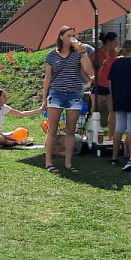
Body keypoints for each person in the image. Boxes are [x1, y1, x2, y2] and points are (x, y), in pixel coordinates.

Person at [40, 24, 94, 173]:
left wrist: (83, 53)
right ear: (61, 37)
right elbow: (48, 78)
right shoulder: (51, 54)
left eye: (74, 35)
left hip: (74, 93)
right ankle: (48, 162)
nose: (72, 38)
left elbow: (89, 71)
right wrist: (44, 99)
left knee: (71, 130)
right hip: (56, 93)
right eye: (69, 35)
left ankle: (68, 163)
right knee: (52, 129)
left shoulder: (78, 53)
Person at [92, 32, 119, 142]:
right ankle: (92, 133)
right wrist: (90, 77)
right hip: (98, 83)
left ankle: (111, 136)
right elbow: (85, 63)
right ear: (109, 42)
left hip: (110, 84)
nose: (116, 44)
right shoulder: (97, 53)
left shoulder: (114, 53)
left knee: (113, 110)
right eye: (115, 42)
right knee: (95, 109)